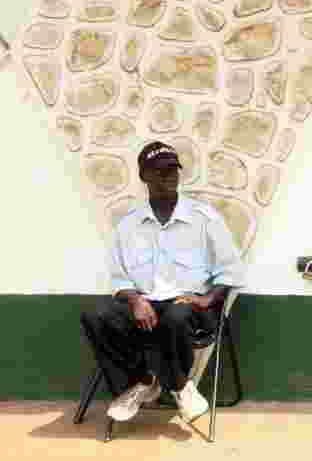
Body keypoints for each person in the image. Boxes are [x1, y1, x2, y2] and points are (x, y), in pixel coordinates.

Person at [81, 141, 245, 424]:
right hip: (146, 305)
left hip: (191, 306)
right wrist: (135, 300)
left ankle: (178, 386)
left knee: (175, 316)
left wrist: (206, 299)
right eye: (159, 171)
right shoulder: (129, 224)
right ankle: (144, 380)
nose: (168, 176)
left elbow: (230, 271)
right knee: (96, 317)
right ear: (144, 176)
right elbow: (119, 277)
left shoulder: (204, 219)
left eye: (172, 170)